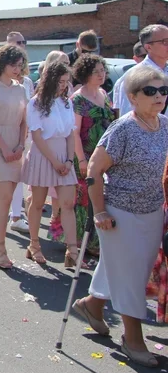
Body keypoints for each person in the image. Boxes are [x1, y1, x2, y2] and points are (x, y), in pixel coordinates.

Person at [72, 66, 168, 367]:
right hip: (118, 212)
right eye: (150, 91)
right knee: (131, 275)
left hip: (152, 209)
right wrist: (99, 211)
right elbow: (94, 172)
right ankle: (132, 338)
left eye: (162, 91)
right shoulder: (122, 129)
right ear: (132, 97)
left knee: (123, 266)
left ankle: (91, 304)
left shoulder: (164, 125)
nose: (158, 97)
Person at [48, 54, 114, 257]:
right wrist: (82, 159)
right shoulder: (77, 98)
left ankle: (95, 240)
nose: (101, 74)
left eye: (103, 70)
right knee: (82, 198)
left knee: (99, 197)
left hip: (103, 153)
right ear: (85, 73)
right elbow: (74, 131)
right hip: (83, 154)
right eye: (96, 71)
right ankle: (76, 241)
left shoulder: (104, 93)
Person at [20, 60, 80, 268]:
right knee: (37, 203)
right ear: (50, 79)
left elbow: (71, 133)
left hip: (63, 154)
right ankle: (34, 244)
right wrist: (54, 161)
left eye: (66, 81)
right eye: (60, 81)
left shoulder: (66, 102)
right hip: (44, 154)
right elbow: (36, 136)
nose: (64, 85)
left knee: (67, 203)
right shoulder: (36, 103)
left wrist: (69, 159)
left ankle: (72, 248)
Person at [0, 31, 34, 232]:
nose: (18, 70)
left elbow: (23, 120)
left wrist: (20, 145)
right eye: (14, 65)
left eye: (20, 66)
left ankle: (1, 240)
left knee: (10, 193)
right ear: (2, 64)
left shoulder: (21, 88)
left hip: (16, 146)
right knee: (5, 196)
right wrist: (4, 148)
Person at [113, 25, 168, 116]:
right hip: (150, 129)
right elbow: (129, 119)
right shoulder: (133, 77)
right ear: (148, 47)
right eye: (165, 42)